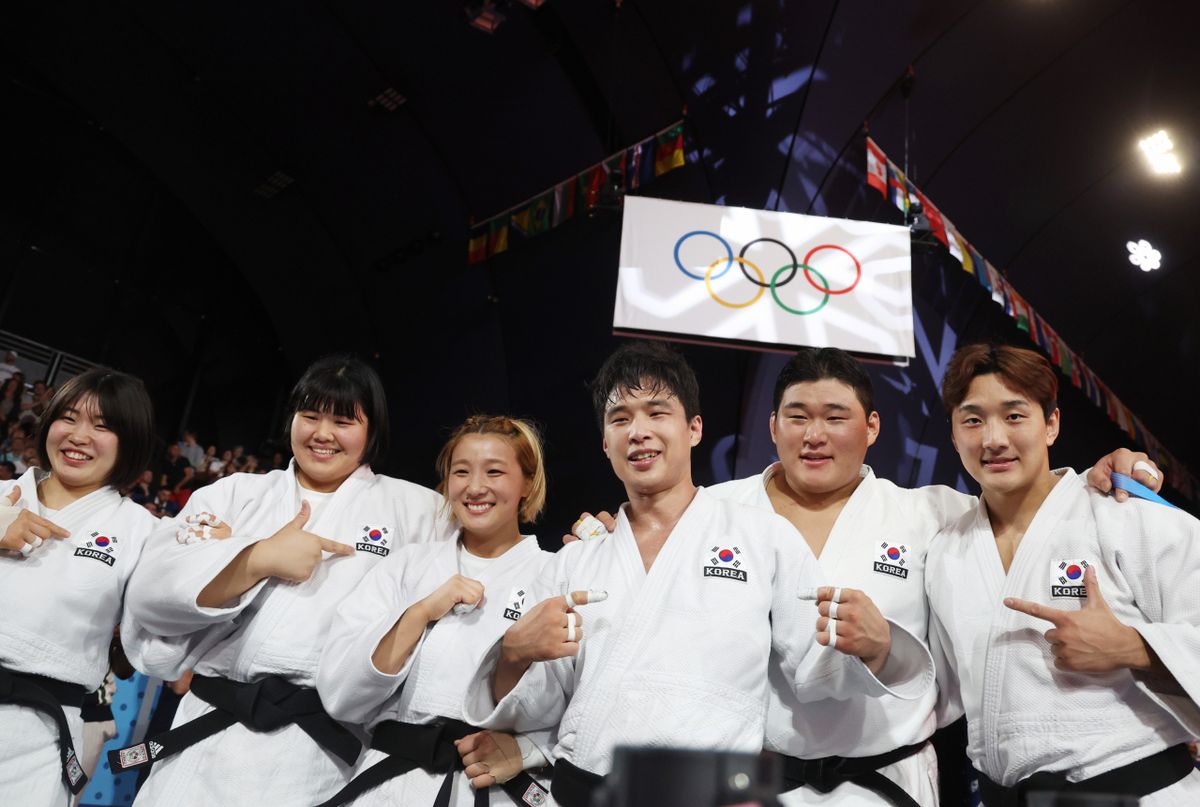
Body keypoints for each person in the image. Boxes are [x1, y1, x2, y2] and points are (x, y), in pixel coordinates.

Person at [464, 341, 935, 807]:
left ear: (694, 428)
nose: (638, 432)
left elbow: (814, 672)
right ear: (605, 443)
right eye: (620, 419)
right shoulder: (575, 560)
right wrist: (511, 655)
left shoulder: (765, 537)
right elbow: (541, 706)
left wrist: (876, 649)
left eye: (656, 413)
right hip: (584, 789)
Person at [122, 355, 454, 806]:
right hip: (207, 735)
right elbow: (150, 595)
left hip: (319, 755)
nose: (322, 433)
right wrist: (254, 559)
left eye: (342, 420)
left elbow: (489, 568)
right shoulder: (235, 493)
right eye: (310, 415)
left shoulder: (419, 512)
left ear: (373, 431)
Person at [926, 343, 1200, 804]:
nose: (993, 438)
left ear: (1051, 424)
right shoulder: (945, 552)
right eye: (972, 420)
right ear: (954, 437)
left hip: (1140, 791)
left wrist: (1133, 646)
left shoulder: (1123, 514)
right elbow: (943, 690)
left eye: (1014, 416)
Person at [316, 415, 555, 807]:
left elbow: (575, 703)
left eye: (494, 472)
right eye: (461, 472)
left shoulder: (555, 574)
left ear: (527, 482)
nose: (475, 487)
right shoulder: (408, 565)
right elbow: (342, 694)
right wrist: (420, 613)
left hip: (488, 787)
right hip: (389, 783)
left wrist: (527, 747)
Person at [0, 367, 183, 807]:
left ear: (130, 441)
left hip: (36, 736)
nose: (79, 436)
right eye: (68, 417)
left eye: (102, 426)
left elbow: (164, 652)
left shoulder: (145, 534)